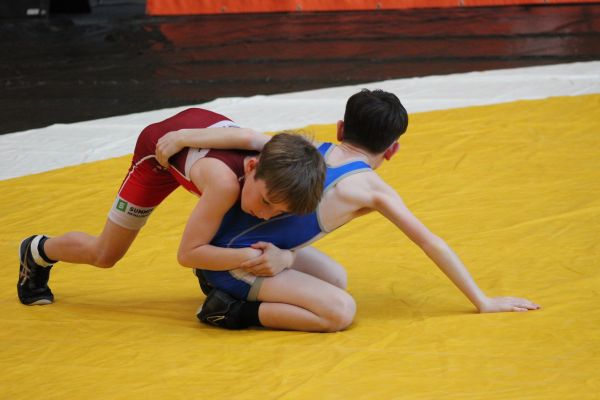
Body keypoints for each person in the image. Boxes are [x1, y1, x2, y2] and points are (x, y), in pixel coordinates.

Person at [154, 89, 541, 333]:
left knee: (335, 279)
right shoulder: (371, 190)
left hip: (233, 245)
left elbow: (247, 136)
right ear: (393, 150)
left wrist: (183, 137)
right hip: (234, 259)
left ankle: (225, 282)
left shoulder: (306, 151)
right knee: (339, 311)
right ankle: (230, 311)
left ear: (340, 129)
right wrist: (482, 300)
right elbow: (430, 242)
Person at [17, 108, 326, 306]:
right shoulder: (225, 185)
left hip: (198, 137)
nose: (267, 214)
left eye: (279, 210)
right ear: (252, 166)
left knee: (247, 218)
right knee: (105, 254)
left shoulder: (282, 158)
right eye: (267, 202)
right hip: (157, 157)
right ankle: (38, 250)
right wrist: (251, 257)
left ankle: (211, 272)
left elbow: (247, 137)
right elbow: (187, 254)